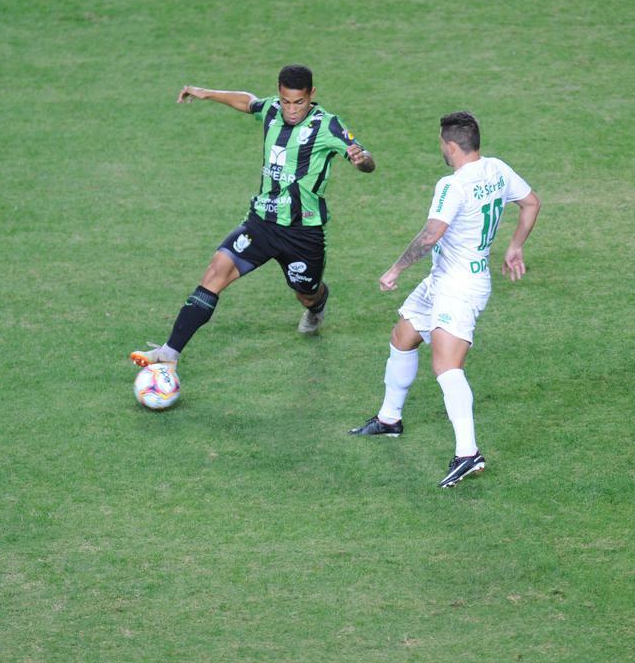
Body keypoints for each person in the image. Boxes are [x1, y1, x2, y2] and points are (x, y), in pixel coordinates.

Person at [130, 65, 375, 369]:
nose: (291, 109)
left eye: (298, 102)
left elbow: (367, 161)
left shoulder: (328, 126)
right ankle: (169, 354)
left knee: (307, 293)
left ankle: (318, 305)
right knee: (216, 271)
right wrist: (206, 93)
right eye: (286, 101)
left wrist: (361, 159)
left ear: (311, 95)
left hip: (302, 232)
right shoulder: (272, 110)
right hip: (261, 223)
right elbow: (248, 102)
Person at [348, 111, 541, 488]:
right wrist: (514, 246)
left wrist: (395, 270)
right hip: (444, 279)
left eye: (441, 143)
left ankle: (468, 454)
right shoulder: (498, 169)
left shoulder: (452, 186)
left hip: (460, 286)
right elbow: (531, 203)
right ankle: (390, 419)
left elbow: (431, 235)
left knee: (446, 367)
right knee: (403, 337)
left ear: (451, 146)